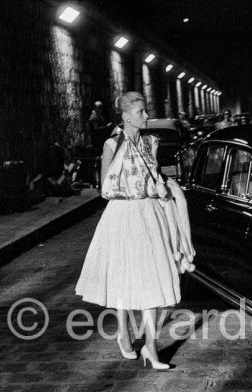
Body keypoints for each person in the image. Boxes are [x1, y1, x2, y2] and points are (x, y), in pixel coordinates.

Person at [76, 92, 195, 370]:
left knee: (153, 278)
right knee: (125, 278)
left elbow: (157, 177)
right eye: (140, 112)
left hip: (150, 215)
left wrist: (165, 186)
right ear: (126, 116)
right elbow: (105, 189)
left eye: (145, 111)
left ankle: (151, 349)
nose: (145, 116)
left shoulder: (152, 144)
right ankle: (124, 334)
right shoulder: (111, 145)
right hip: (123, 216)